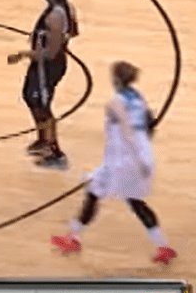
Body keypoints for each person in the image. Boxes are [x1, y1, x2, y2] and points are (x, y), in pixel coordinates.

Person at [51, 61, 177, 265]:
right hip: (142, 157)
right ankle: (163, 246)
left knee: (95, 196)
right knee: (132, 202)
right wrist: (144, 152)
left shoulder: (115, 103)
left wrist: (135, 152)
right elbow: (150, 124)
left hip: (122, 161)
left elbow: (127, 130)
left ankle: (72, 239)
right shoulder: (138, 98)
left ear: (115, 79)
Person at [7, 0, 78, 168]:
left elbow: (51, 52)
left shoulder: (54, 17)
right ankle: (42, 140)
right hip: (45, 65)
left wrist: (24, 54)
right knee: (30, 98)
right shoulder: (68, 7)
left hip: (47, 66)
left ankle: (55, 154)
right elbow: (74, 31)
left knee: (43, 107)